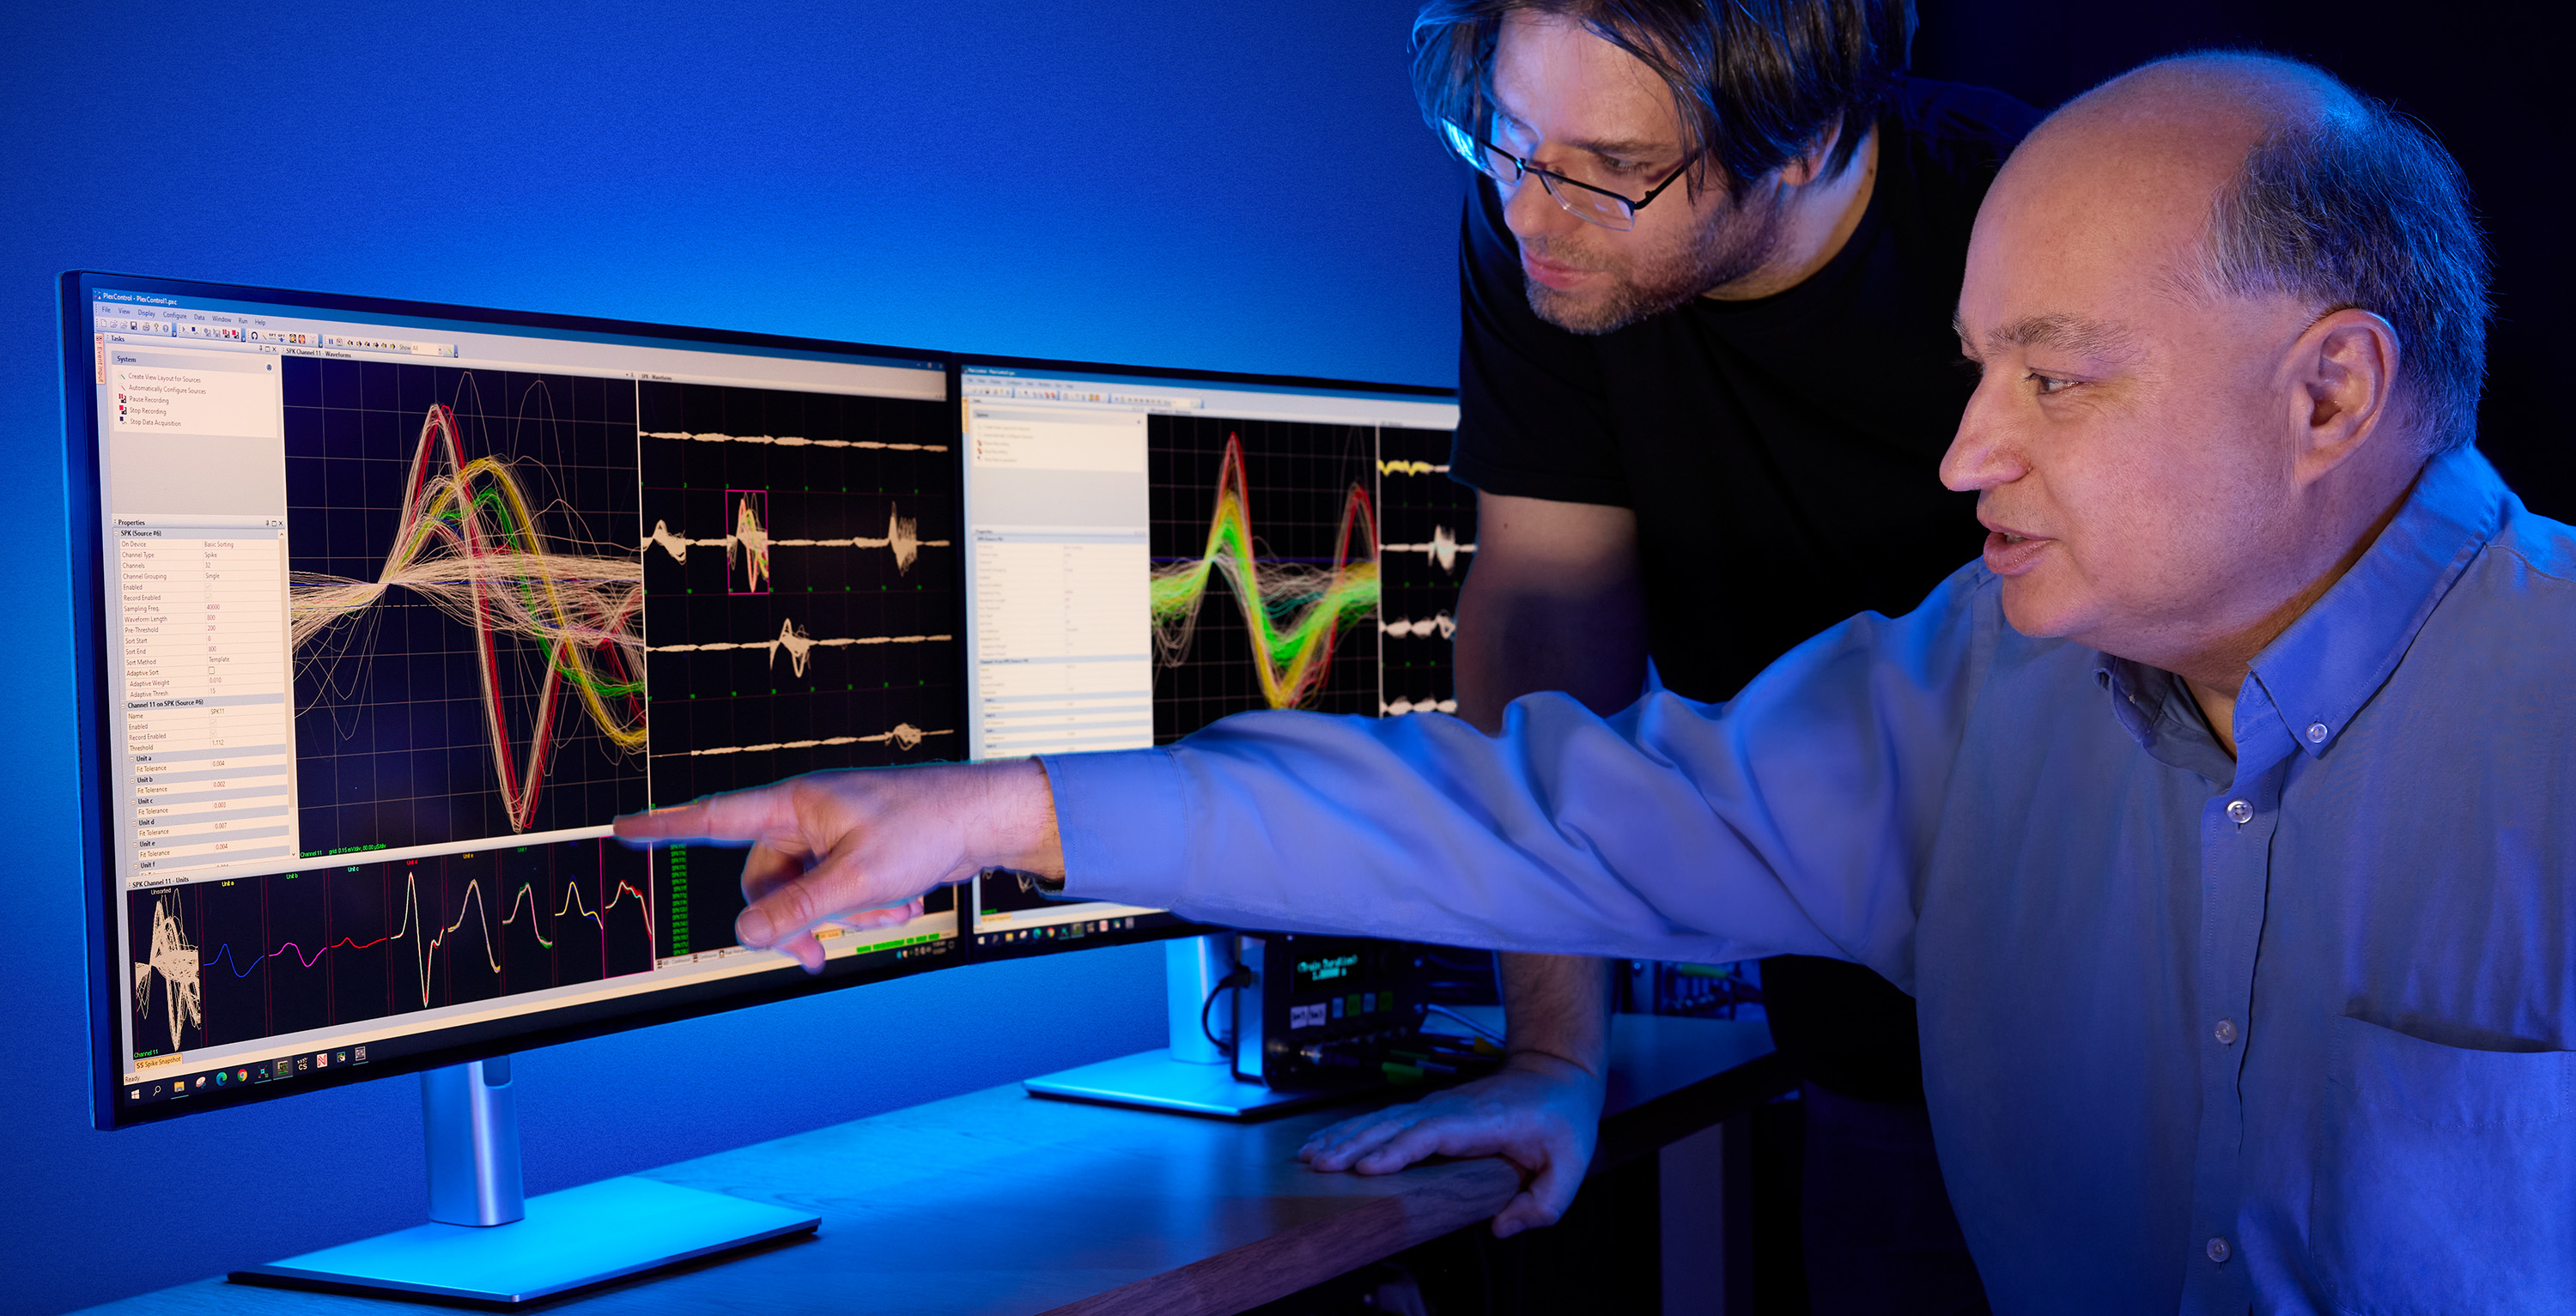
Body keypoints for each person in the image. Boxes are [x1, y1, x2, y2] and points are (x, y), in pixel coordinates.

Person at [621, 52, 2543, 1313]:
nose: (1962, 455)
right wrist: (1010, 809)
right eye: (1971, 368)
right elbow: (1531, 807)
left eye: (2054, 375)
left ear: (2332, 393)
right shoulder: (1977, 696)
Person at [1378, 1, 2039, 1301]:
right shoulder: (1544, 231)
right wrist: (1556, 1056)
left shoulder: (2028, 224)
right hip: (1857, 1043)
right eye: (1503, 137)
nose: (1527, 211)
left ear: (1804, 142)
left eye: (1613, 171)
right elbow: (1547, 635)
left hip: (2136, 1040)